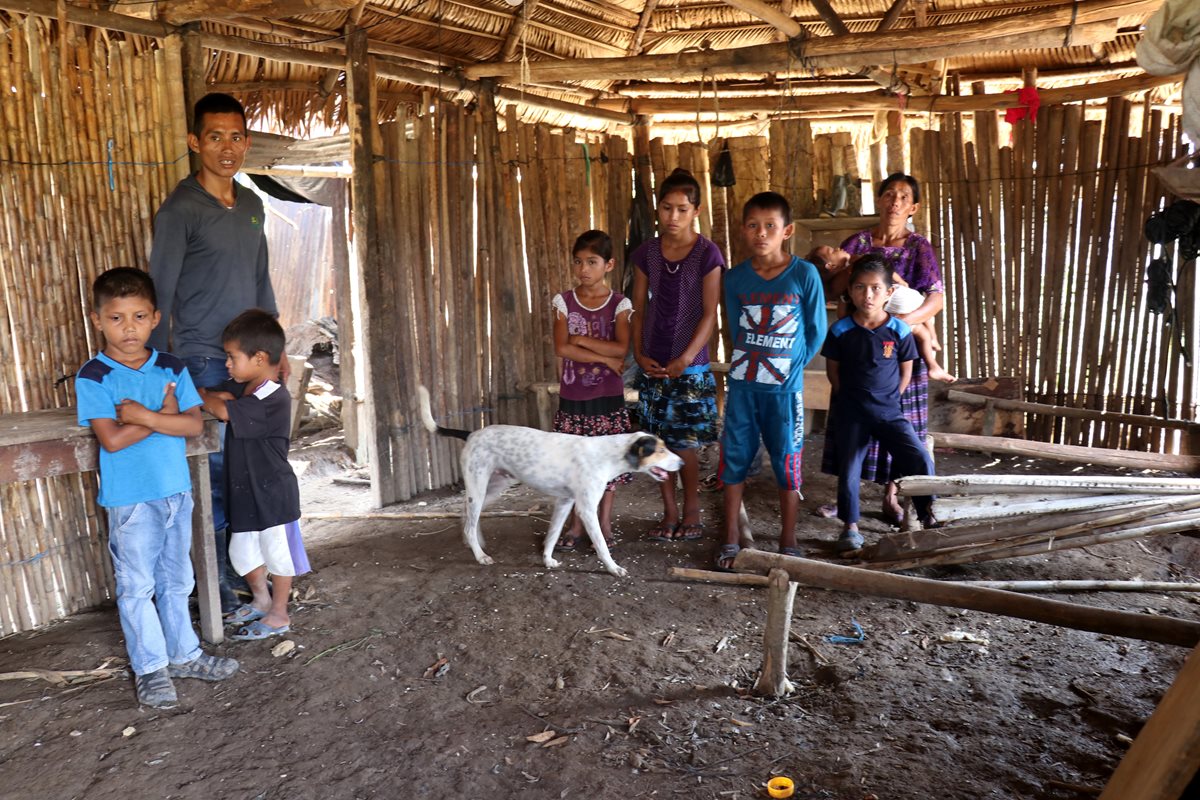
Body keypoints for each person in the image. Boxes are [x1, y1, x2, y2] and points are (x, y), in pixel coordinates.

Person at [76, 267, 239, 708]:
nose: (128, 328)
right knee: (137, 587)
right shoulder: (94, 376)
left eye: (139, 317)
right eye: (116, 318)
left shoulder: (171, 366)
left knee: (177, 579)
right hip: (131, 500)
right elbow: (111, 439)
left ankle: (184, 655)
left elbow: (192, 425)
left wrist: (144, 417)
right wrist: (163, 416)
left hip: (174, 491)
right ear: (97, 320)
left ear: (155, 318)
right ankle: (150, 668)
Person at [148, 92, 285, 615]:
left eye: (236, 137)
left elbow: (261, 278)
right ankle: (217, 586)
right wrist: (160, 371)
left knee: (250, 472)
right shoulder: (179, 211)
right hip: (203, 361)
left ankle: (250, 576)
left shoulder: (251, 205)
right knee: (217, 478)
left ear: (247, 142)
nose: (227, 148)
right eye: (214, 137)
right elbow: (160, 294)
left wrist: (274, 350)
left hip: (251, 362)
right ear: (194, 142)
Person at [819, 173, 945, 525]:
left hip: (899, 347)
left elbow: (935, 297)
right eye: (889, 194)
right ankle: (847, 501)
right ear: (879, 200)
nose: (895, 202)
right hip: (858, 344)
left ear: (913, 207)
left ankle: (892, 498)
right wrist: (849, 265)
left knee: (899, 425)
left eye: (904, 197)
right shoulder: (857, 242)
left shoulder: (919, 247)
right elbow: (833, 288)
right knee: (852, 423)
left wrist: (902, 323)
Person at [715, 192, 826, 570]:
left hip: (784, 391)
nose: (761, 233)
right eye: (753, 226)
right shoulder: (735, 278)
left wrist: (789, 367)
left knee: (787, 459)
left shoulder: (804, 275)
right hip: (743, 387)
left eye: (770, 226)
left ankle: (788, 540)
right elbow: (734, 329)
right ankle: (730, 537)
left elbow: (816, 330)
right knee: (734, 457)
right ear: (743, 230)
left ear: (787, 231)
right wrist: (751, 366)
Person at [198, 310, 309, 641]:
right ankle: (261, 600)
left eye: (232, 357)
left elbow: (219, 408)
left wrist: (209, 399)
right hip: (245, 489)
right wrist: (214, 397)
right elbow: (213, 394)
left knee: (278, 555)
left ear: (259, 358)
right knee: (243, 553)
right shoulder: (244, 388)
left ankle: (279, 613)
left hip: (273, 493)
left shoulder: (272, 397)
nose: (227, 364)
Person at [630, 167, 724, 543]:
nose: (673, 216)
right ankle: (669, 513)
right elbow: (638, 308)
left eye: (682, 209)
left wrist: (686, 358)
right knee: (656, 443)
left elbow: (709, 313)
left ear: (696, 211)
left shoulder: (707, 253)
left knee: (684, 444)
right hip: (653, 362)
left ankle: (693, 511)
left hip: (690, 366)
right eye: (666, 208)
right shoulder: (647, 253)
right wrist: (639, 353)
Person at [822, 256, 938, 552]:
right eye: (860, 287)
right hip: (852, 412)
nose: (868, 295)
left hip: (889, 412)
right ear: (850, 291)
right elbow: (833, 371)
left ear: (889, 292)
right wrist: (849, 398)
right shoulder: (840, 330)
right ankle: (850, 528)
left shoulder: (899, 330)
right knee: (849, 469)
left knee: (919, 457)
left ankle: (929, 516)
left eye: (876, 288)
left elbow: (906, 369)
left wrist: (890, 398)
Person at [550, 230, 634, 550]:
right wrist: (605, 358)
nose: (583, 269)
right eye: (578, 262)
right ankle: (576, 525)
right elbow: (562, 348)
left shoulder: (619, 304)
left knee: (606, 462)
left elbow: (621, 349)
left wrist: (582, 340)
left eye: (592, 262)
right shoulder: (564, 302)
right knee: (575, 464)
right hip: (573, 396)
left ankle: (604, 523)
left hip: (607, 398)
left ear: (609, 265)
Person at [808, 244, 955, 383]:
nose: (838, 248)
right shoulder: (857, 262)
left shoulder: (838, 284)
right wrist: (900, 281)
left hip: (888, 305)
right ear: (831, 266)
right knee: (922, 311)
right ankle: (933, 345)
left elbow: (842, 313)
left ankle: (933, 363)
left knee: (920, 329)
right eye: (833, 251)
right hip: (896, 297)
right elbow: (883, 267)